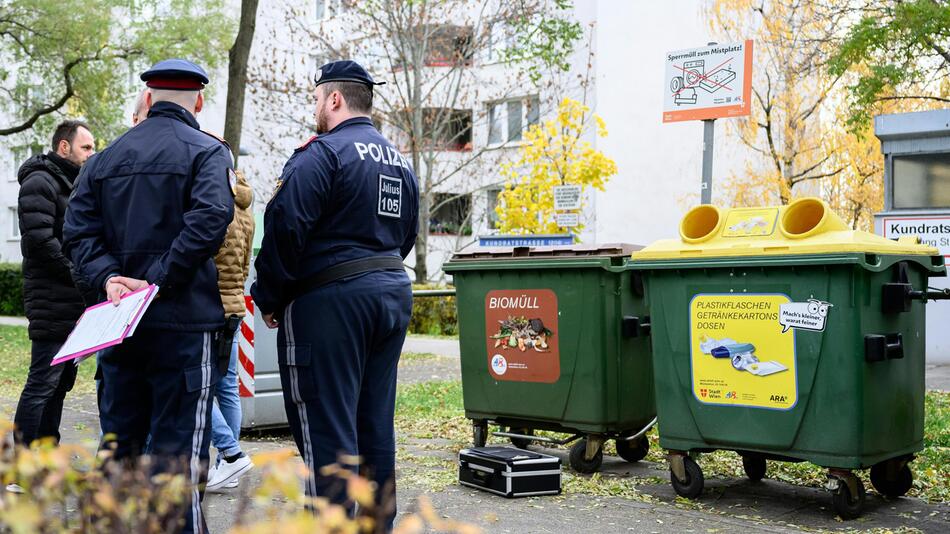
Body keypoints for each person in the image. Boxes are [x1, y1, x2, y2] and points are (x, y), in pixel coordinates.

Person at [63, 59, 234, 534]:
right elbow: (208, 223)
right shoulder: (208, 153)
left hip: (118, 324)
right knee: (178, 454)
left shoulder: (103, 160)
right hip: (182, 324)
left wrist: (110, 280)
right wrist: (157, 282)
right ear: (198, 101)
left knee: (119, 445)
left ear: (149, 98)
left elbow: (77, 234)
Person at [251, 60, 418, 530]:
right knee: (373, 422)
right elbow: (406, 235)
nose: (316, 108)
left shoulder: (321, 154)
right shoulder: (399, 162)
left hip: (331, 302)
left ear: (335, 99)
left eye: (317, 99)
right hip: (389, 293)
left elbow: (285, 227)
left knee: (326, 425)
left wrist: (270, 295)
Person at [8, 121, 95, 493]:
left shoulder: (70, 184)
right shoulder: (40, 182)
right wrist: (79, 275)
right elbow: (42, 241)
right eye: (86, 147)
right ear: (64, 147)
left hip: (71, 304)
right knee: (41, 383)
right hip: (51, 301)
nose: (91, 154)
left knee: (59, 384)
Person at [205, 168, 255, 492]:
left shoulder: (217, 209)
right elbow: (246, 262)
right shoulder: (246, 214)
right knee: (227, 388)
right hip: (236, 306)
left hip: (211, 306)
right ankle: (229, 468)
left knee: (196, 387)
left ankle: (231, 451)